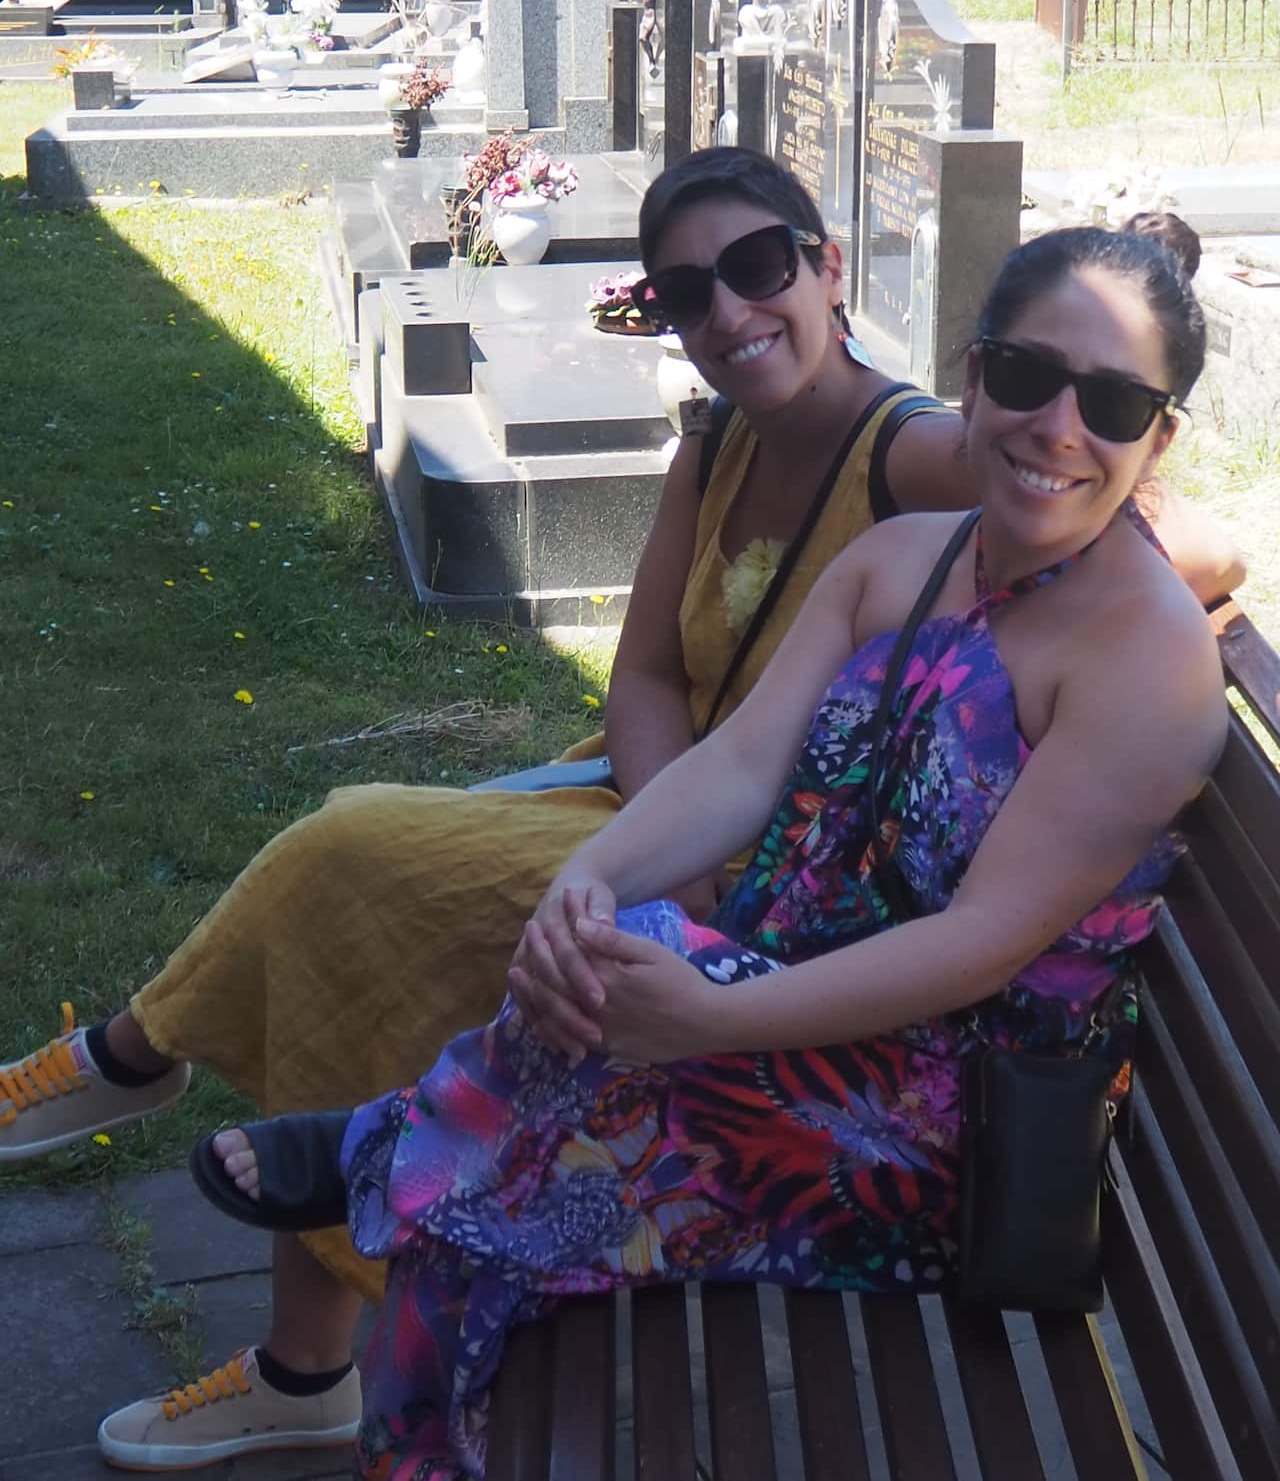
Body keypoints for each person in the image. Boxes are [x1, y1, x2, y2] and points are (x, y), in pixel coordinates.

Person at [2, 154, 1239, 1468]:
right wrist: (582, 881)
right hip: (776, 1008)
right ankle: (401, 1225)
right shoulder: (901, 560)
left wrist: (712, 1012)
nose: (1059, 427)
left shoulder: (1145, 666)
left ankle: (390, 1171)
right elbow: (742, 764)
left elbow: (978, 946)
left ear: (1159, 437)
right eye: (1029, 376)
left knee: (478, 1194)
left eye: (1111, 403)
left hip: (934, 1117)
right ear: (975, 371)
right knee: (584, 988)